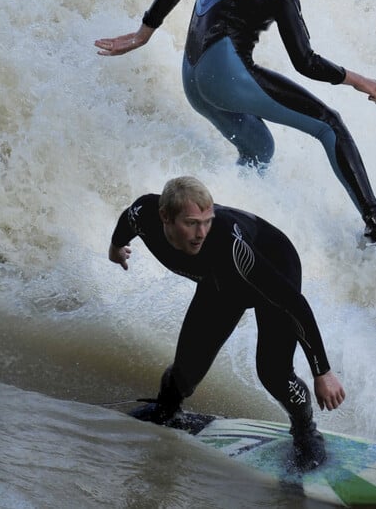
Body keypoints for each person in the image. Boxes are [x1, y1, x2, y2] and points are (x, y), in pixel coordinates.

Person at [95, 0, 376, 244]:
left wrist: (142, 35)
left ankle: (218, 229)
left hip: (192, 79)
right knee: (329, 124)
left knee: (260, 149)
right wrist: (358, 80)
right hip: (224, 76)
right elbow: (305, 62)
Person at [108, 175, 346, 471]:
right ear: (164, 217)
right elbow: (126, 223)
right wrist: (116, 248)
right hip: (220, 284)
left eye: (207, 221)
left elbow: (293, 303)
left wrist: (322, 372)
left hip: (273, 266)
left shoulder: (228, 245)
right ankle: (166, 411)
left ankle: (305, 429)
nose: (200, 233)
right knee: (184, 372)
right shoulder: (144, 213)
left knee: (273, 372)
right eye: (192, 223)